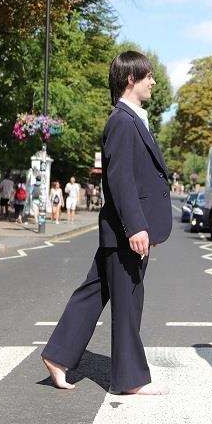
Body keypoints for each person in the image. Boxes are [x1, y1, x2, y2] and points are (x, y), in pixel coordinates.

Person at [42, 51, 172, 395]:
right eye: (148, 77)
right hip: (126, 230)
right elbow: (120, 179)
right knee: (128, 301)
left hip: (122, 230)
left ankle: (58, 355)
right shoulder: (122, 121)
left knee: (92, 293)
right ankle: (128, 379)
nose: (153, 82)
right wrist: (136, 227)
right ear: (131, 79)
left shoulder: (133, 119)